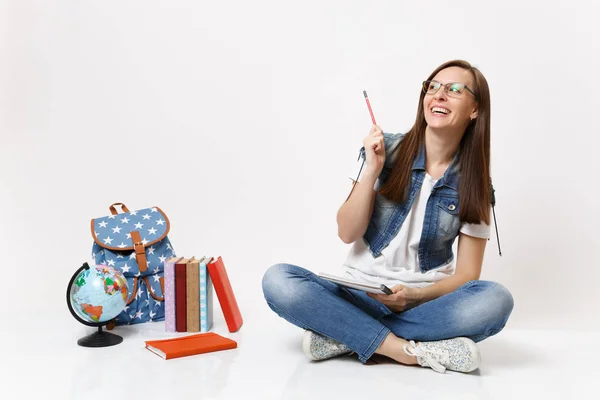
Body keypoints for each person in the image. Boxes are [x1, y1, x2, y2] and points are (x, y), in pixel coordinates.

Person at [261, 60, 514, 374]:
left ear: (475, 110)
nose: (439, 95)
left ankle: (346, 335)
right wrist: (372, 170)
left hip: (424, 304)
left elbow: (466, 275)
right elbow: (346, 231)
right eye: (432, 87)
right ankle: (403, 349)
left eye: (454, 90)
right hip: (359, 294)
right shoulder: (385, 149)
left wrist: (413, 297)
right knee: (279, 280)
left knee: (496, 299)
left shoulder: (476, 183)